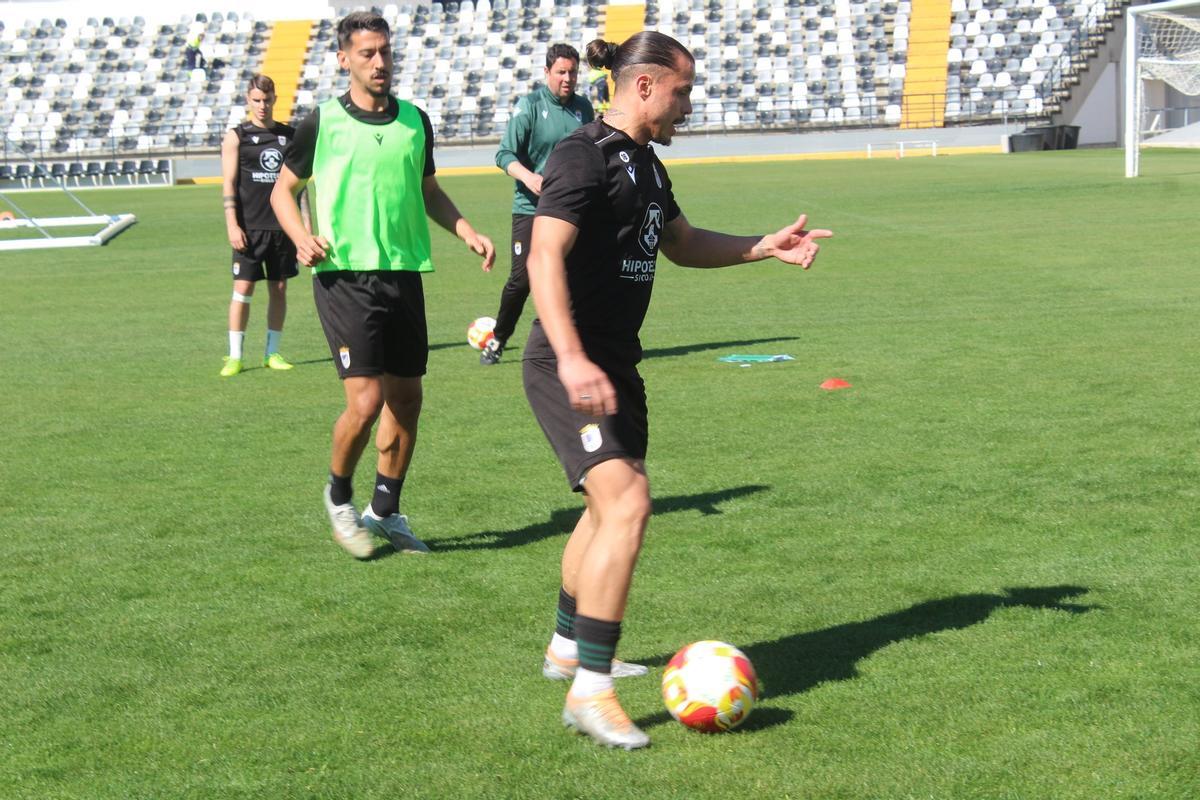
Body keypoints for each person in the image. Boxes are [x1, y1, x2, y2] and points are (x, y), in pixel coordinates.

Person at [523, 31, 833, 750]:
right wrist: (570, 358)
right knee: (628, 501)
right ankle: (590, 693)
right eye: (682, 91)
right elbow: (543, 254)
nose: (688, 105)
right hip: (569, 360)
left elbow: (682, 242)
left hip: (616, 362)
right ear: (642, 87)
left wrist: (761, 246)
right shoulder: (582, 157)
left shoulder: (647, 167)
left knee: (606, 511)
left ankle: (568, 648)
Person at [271, 11, 495, 559]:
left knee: (407, 401)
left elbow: (428, 190)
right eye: (367, 53)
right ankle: (339, 497)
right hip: (344, 275)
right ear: (344, 58)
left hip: (404, 272)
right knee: (366, 400)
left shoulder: (416, 121)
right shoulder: (319, 123)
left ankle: (386, 512)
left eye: (385, 52)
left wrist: (464, 229)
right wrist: (301, 236)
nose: (379, 62)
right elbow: (283, 191)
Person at [481, 44, 594, 366]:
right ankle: (498, 339)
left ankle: (571, 345)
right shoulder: (529, 106)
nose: (568, 78)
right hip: (531, 209)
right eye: (561, 72)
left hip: (571, 210)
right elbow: (504, 154)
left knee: (574, 276)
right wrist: (529, 177)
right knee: (522, 281)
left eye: (573, 72)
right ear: (547, 73)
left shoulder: (583, 109)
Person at [219, 74, 302, 377]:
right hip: (248, 229)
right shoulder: (237, 136)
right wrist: (232, 224)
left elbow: (299, 187)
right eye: (256, 100)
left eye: (267, 100)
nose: (262, 105)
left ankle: (272, 352)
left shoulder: (289, 136)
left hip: (282, 229)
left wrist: (303, 229)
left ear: (275, 99)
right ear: (248, 100)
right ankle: (235, 355)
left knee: (279, 289)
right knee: (242, 290)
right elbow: (228, 183)